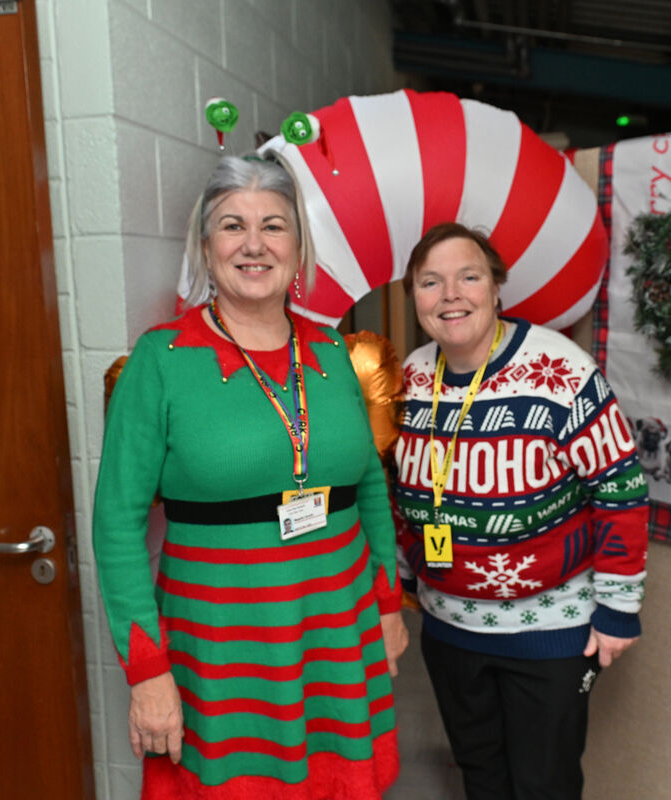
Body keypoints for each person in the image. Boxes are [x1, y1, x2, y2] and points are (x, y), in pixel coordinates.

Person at [93, 155, 408, 798]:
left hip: (339, 637)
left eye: (275, 225)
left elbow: (368, 486)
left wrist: (387, 604)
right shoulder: (162, 358)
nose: (255, 244)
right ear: (206, 249)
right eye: (233, 225)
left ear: (298, 248)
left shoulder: (330, 350)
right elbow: (116, 525)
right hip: (222, 651)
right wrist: (147, 673)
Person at [392, 222, 649, 800]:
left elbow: (619, 489)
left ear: (497, 287)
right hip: (449, 628)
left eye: (469, 277)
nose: (450, 294)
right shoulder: (409, 376)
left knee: (543, 784)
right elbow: (396, 488)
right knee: (480, 775)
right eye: (430, 282)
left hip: (550, 630)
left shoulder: (562, 370)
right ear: (414, 296)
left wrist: (618, 608)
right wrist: (410, 568)